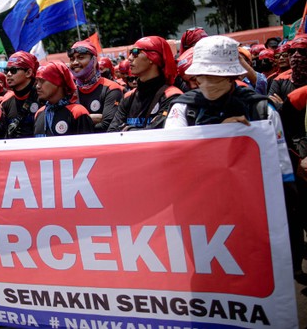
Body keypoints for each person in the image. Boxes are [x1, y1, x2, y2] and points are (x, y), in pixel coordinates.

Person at [163, 35, 303, 282]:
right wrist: (218, 132)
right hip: (200, 214)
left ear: (230, 76)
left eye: (215, 75)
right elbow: (173, 155)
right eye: (202, 75)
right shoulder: (182, 109)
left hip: (251, 214)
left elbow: (282, 172)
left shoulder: (261, 110)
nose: (205, 81)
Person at [108, 36, 182, 131]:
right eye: (130, 53)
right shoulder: (128, 96)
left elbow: (158, 135)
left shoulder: (172, 96)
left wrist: (126, 129)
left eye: (135, 52)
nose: (129, 58)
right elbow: (112, 132)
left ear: (153, 57)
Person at [68, 40, 123, 132]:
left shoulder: (111, 88)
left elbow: (108, 125)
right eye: (72, 59)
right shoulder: (68, 90)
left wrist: (77, 122)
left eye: (81, 57)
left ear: (94, 61)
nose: (75, 62)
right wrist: (93, 118)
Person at [34, 61, 95, 136]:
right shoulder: (39, 113)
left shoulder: (77, 112)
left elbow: (87, 146)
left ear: (58, 81)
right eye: (37, 82)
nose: (37, 86)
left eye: (42, 81)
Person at [0, 51, 40, 138]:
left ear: (28, 73)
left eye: (13, 70)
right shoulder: (6, 102)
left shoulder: (42, 97)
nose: (8, 74)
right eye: (6, 70)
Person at [269, 35, 307, 107]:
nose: (296, 55)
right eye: (292, 51)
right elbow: (271, 107)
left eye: (302, 51)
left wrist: (284, 107)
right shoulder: (279, 80)